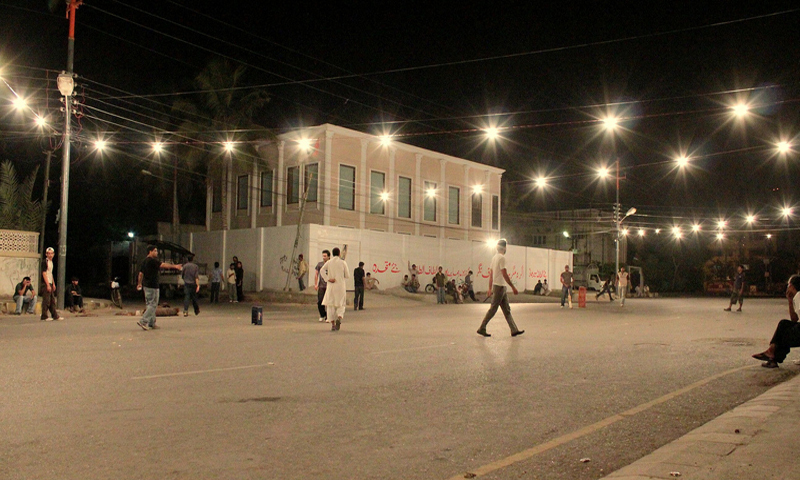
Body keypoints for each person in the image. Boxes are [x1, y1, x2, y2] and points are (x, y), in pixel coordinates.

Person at [477, 239, 524, 337]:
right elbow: (504, 273)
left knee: (507, 310)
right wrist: (513, 287)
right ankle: (482, 327)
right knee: (493, 309)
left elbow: (491, 275)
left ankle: (514, 329)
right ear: (504, 248)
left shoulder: (494, 258)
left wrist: (490, 288)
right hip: (500, 287)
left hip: (499, 286)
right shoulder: (502, 258)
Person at [751, 275, 800, 368]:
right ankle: (772, 355)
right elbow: (794, 319)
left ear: (792, 286)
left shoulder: (799, 296)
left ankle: (772, 353)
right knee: (783, 324)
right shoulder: (796, 297)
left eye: (788, 285)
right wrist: (790, 301)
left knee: (783, 334)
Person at [136, 245, 182, 330]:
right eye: (155, 251)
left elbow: (140, 274)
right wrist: (175, 266)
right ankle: (143, 321)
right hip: (153, 286)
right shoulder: (152, 261)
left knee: (150, 305)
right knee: (153, 305)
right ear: (150, 251)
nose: (157, 252)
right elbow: (163, 265)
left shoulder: (144, 261)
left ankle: (151, 323)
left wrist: (139, 283)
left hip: (146, 286)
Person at [321, 247, 349, 331]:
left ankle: (332, 324)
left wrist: (327, 279)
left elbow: (322, 270)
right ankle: (339, 317)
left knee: (330, 305)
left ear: (332, 254)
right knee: (341, 304)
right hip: (340, 286)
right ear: (339, 253)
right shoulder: (343, 263)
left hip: (331, 286)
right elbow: (347, 275)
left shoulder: (329, 262)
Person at [40, 247, 60, 321]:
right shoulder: (45, 262)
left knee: (52, 300)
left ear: (53, 254)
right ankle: (44, 316)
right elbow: (44, 273)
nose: (50, 255)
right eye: (48, 253)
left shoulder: (51, 262)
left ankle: (55, 315)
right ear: (46, 254)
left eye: (51, 253)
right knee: (46, 300)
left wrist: (53, 284)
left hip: (50, 282)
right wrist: (48, 284)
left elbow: (50, 274)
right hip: (45, 283)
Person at [314, 250, 330, 322]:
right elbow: (316, 274)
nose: (323, 257)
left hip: (329, 285)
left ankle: (328, 316)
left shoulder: (331, 264)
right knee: (320, 301)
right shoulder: (320, 264)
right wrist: (315, 284)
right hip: (321, 286)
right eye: (323, 256)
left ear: (329, 256)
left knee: (329, 302)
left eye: (325, 256)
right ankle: (322, 314)